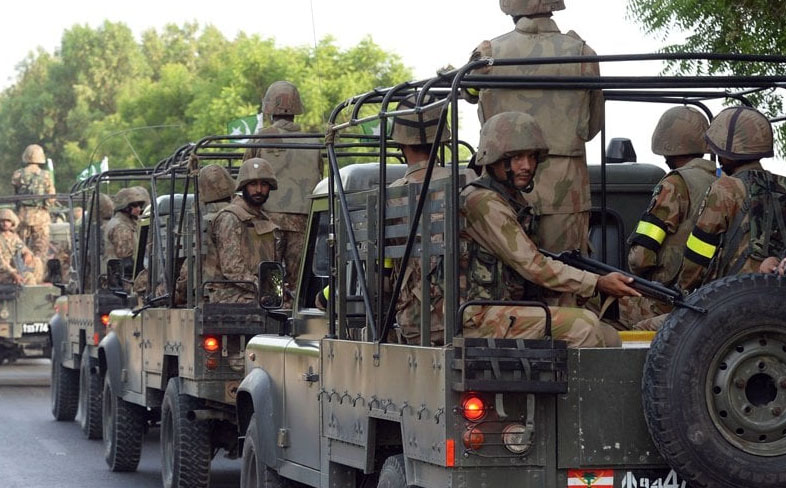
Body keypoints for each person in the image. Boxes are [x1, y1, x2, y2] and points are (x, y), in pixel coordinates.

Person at [459, 111, 637, 348]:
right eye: (517, 157)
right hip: (479, 316)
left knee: (609, 336)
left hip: (502, 310)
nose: (527, 166)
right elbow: (532, 264)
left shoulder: (511, 200)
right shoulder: (483, 202)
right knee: (584, 326)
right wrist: (596, 282)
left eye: (532, 157)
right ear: (493, 157)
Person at [467, 0, 603, 258]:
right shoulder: (583, 53)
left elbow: (469, 93)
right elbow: (594, 126)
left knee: (502, 271)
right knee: (568, 272)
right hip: (565, 190)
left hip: (500, 186)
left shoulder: (488, 53)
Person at [621, 107, 716, 329]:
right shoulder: (721, 183)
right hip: (705, 293)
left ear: (667, 145)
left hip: (666, 299)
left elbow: (640, 258)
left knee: (595, 304)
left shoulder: (674, 183)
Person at [678, 106, 784, 291]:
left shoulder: (725, 188)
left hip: (732, 295)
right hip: (776, 293)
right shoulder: (782, 184)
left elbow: (699, 252)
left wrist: (682, 288)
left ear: (729, 151)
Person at [243, 81, 323, 302]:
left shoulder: (261, 137)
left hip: (268, 222)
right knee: (298, 283)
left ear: (269, 108)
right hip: (305, 222)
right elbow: (320, 179)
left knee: (270, 278)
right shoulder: (313, 141)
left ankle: (273, 312)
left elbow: (245, 174)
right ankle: (295, 312)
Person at [387, 93, 452, 345]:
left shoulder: (391, 195)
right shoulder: (467, 182)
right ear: (443, 139)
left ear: (400, 144)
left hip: (415, 319)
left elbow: (381, 273)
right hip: (468, 312)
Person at [209, 158, 280, 304]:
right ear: (243, 187)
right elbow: (232, 269)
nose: (259, 190)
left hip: (255, 291)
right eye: (253, 184)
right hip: (229, 295)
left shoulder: (265, 219)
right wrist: (267, 289)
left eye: (264, 184)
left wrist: (278, 290)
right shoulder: (230, 217)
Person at [172, 164, 236, 304]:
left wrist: (180, 290)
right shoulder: (242, 212)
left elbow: (190, 264)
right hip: (247, 290)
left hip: (210, 294)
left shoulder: (198, 217)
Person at [11, 144, 56, 261]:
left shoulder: (18, 174)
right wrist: (47, 206)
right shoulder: (46, 175)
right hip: (40, 215)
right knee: (40, 250)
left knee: (20, 248)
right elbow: (51, 197)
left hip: (22, 215)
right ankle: (38, 269)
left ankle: (22, 269)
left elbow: (15, 194)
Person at [105, 187, 150, 274]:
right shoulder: (121, 227)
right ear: (124, 207)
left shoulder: (129, 222)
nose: (138, 209)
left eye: (140, 205)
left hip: (125, 274)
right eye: (134, 205)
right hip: (124, 277)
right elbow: (127, 261)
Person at [0, 209, 37, 285]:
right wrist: (13, 273)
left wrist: (27, 254)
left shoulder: (14, 237)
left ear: (12, 222)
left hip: (14, 270)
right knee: (28, 277)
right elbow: (1, 262)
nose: (5, 223)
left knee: (36, 262)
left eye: (8, 221)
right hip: (3, 272)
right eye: (2, 221)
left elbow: (22, 248)